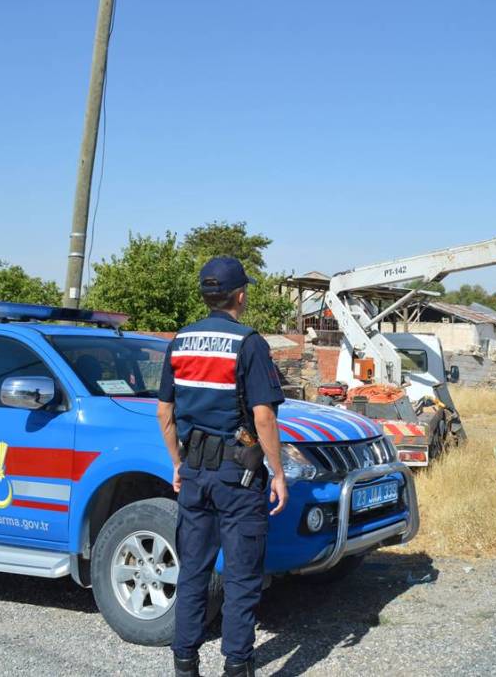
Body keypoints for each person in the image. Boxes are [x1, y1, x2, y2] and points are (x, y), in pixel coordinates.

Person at [156, 256, 289, 677]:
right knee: (241, 577)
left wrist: (178, 462)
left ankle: (185, 664)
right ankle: (236, 665)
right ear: (241, 295)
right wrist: (279, 471)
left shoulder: (180, 341)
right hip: (239, 475)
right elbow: (263, 416)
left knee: (193, 572)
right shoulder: (248, 343)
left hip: (195, 471)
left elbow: (164, 412)